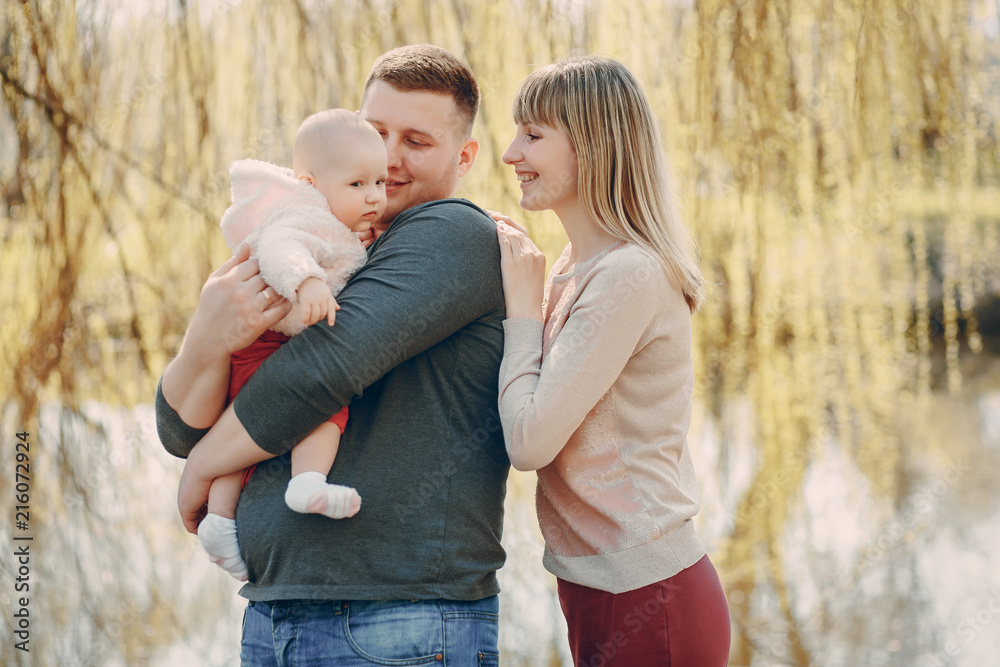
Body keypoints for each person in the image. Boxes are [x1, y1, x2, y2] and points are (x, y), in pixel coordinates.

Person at [155, 45, 507, 665]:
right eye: (376, 132)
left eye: (417, 141)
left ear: (465, 156)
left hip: (400, 619)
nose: (390, 159)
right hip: (276, 611)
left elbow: (322, 370)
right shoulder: (317, 242)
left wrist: (206, 466)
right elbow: (180, 426)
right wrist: (207, 333)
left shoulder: (452, 234)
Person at [493, 54, 731, 666]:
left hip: (650, 594)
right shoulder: (574, 269)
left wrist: (522, 309)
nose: (510, 152)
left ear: (594, 144)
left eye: (533, 134)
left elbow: (528, 441)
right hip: (595, 587)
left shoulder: (630, 275)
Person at [195, 109, 387, 583]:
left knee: (245, 427)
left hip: (262, 343)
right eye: (357, 185)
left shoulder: (331, 220)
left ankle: (220, 521)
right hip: (262, 343)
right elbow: (281, 247)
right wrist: (307, 283)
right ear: (310, 183)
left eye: (379, 183)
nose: (375, 197)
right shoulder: (303, 216)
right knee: (321, 407)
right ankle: (304, 483)